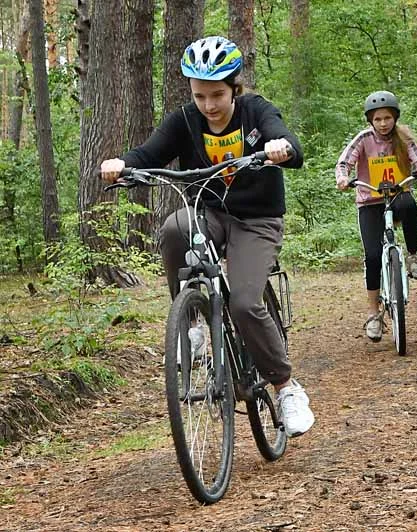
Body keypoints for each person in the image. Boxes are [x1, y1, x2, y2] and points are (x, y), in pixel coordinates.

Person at [99, 36, 314, 437]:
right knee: (175, 226)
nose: (209, 105)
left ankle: (286, 387)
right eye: (200, 96)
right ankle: (194, 324)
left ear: (235, 87)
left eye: (217, 94)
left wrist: (282, 148)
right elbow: (148, 154)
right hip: (209, 214)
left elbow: (287, 140)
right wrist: (122, 164)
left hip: (257, 220)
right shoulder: (184, 120)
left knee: (246, 304)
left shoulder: (256, 111)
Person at [335, 90, 417, 342]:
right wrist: (343, 178)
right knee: (371, 256)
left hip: (397, 196)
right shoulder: (363, 139)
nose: (383, 123)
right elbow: (344, 162)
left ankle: (412, 257)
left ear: (395, 118)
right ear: (371, 120)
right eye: (378, 119)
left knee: (409, 204)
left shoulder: (403, 138)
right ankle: (373, 313)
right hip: (369, 201)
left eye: (387, 118)